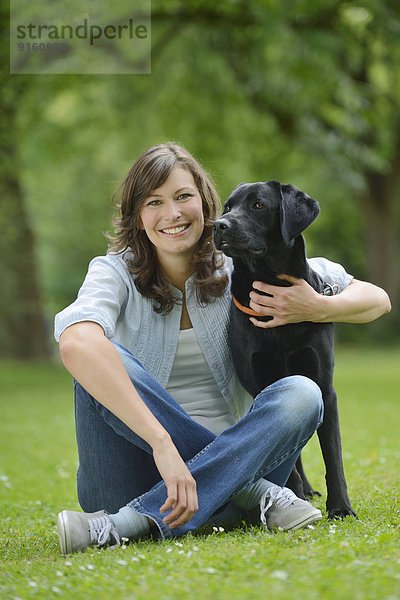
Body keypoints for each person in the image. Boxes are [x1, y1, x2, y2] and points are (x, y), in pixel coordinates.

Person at [54, 143, 391, 554]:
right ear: (138, 217)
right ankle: (251, 496)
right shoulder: (112, 272)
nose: (172, 214)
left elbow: (376, 298)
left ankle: (126, 524)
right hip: (134, 473)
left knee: (304, 393)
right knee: (103, 356)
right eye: (154, 202)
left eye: (183, 197)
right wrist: (163, 445)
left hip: (243, 456)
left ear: (204, 201)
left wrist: (319, 306)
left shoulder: (242, 262)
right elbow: (75, 343)